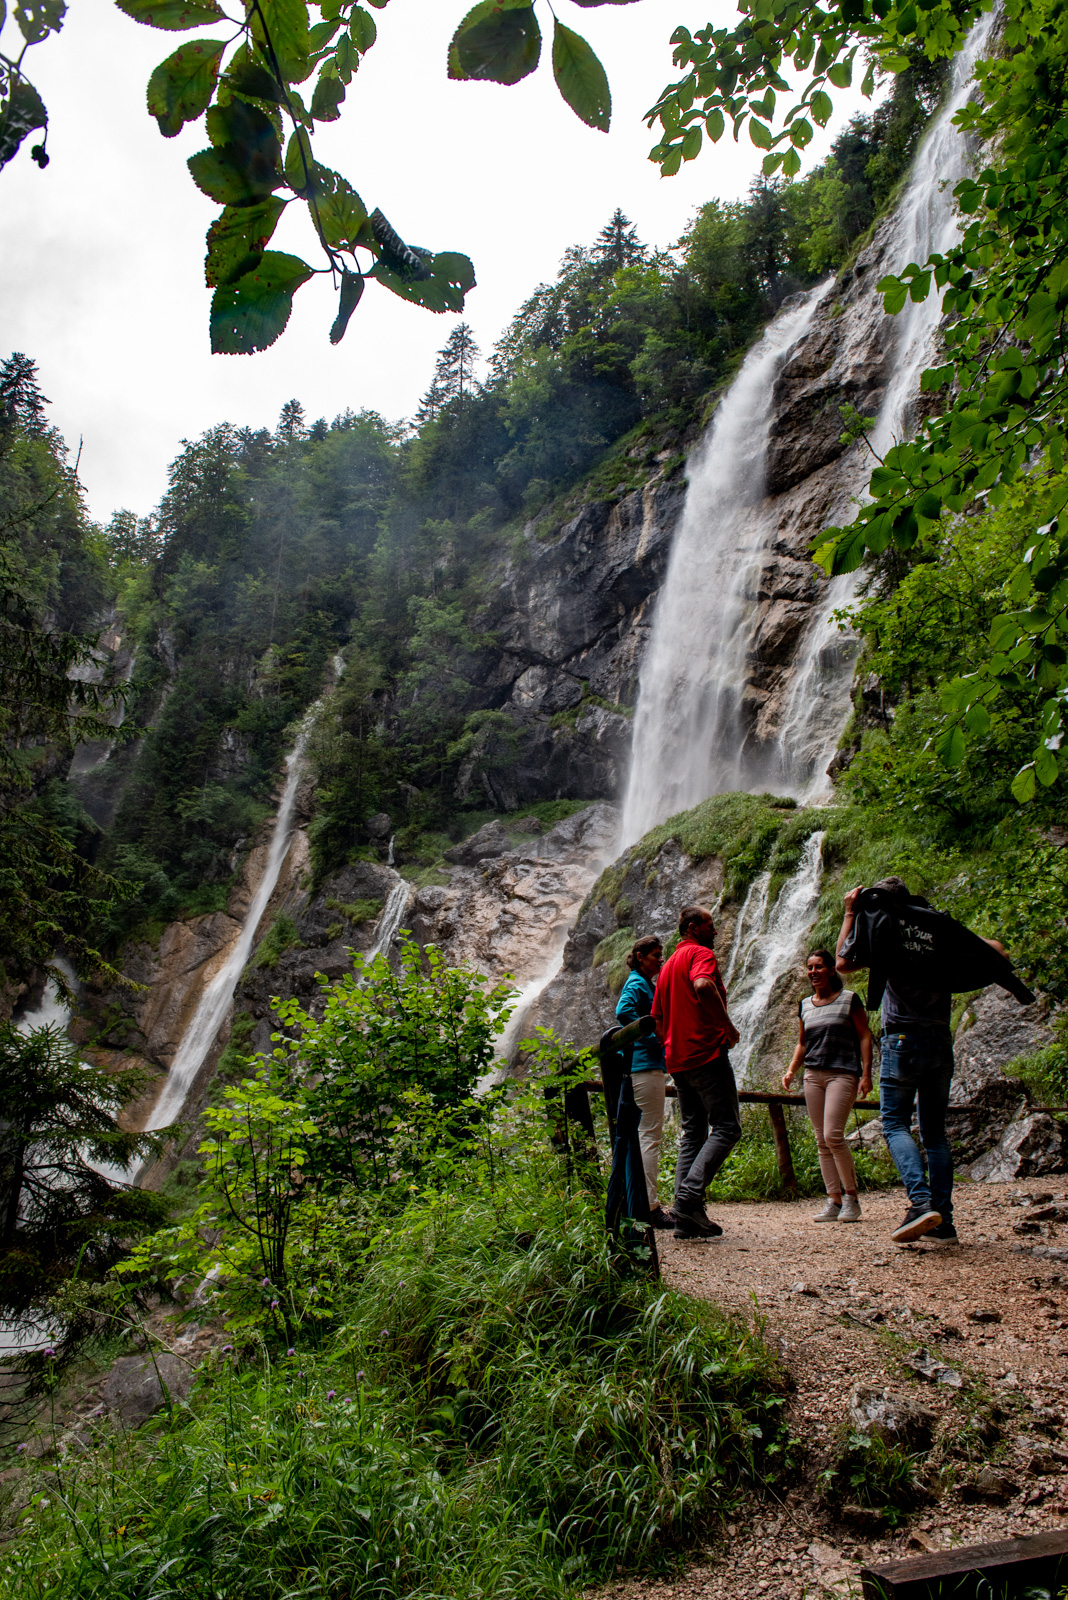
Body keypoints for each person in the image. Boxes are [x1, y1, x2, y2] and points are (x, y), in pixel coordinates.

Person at [836, 876, 957, 1245]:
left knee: (894, 1124)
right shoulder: (936, 928)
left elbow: (842, 962)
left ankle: (920, 1203)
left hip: (903, 1040)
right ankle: (944, 1221)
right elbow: (988, 952)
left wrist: (850, 913)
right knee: (935, 1133)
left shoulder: (883, 927)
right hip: (940, 1039)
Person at [652, 905, 741, 1240]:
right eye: (710, 926)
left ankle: (687, 1216)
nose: (715, 932)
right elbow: (704, 987)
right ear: (693, 928)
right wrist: (727, 1029)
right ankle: (688, 1198)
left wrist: (676, 1043)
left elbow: (658, 1021)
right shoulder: (698, 954)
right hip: (706, 1055)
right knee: (728, 1126)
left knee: (693, 1133)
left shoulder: (667, 967)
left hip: (678, 1060)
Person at [783, 949, 873, 1224]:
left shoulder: (849, 1000)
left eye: (819, 967)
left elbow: (864, 1036)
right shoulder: (805, 1005)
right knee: (822, 1139)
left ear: (832, 970)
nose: (814, 972)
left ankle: (851, 1199)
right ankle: (833, 1200)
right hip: (812, 1075)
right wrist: (791, 1070)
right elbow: (802, 1042)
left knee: (834, 1136)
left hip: (842, 1074)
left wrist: (866, 1074)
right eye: (810, 968)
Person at [615, 935, 672, 1230]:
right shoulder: (637, 983)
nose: (660, 960)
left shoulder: (643, 983)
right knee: (649, 1135)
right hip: (644, 1065)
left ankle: (637, 1201)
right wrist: (653, 1037)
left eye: (661, 955)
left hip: (641, 1066)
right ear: (640, 957)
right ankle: (649, 1206)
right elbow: (623, 1011)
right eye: (655, 955)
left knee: (640, 1135)